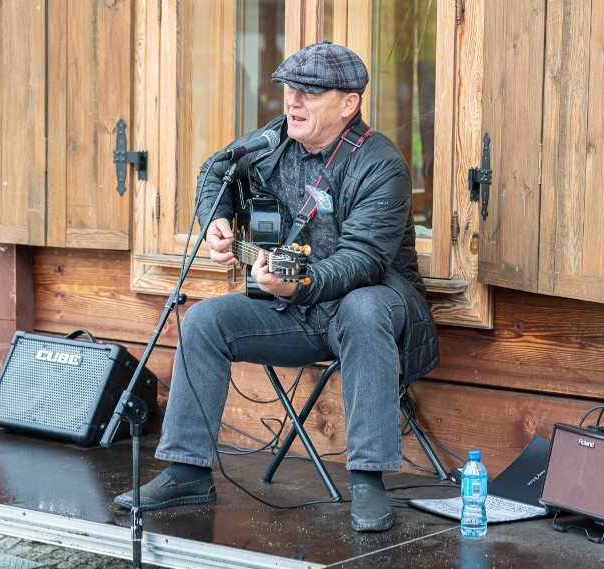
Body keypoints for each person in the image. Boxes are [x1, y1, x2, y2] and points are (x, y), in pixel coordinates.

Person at [114, 41, 439, 533]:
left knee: (364, 307)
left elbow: (362, 261)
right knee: (203, 320)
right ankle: (186, 471)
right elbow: (215, 170)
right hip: (297, 310)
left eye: (308, 93)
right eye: (289, 90)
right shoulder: (273, 143)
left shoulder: (381, 164)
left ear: (348, 103)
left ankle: (369, 480)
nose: (292, 102)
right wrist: (218, 220)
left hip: (372, 305)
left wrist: (298, 285)